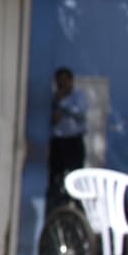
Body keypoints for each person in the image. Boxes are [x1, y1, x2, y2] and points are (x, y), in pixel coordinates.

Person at [48, 66, 87, 211]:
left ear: (71, 81)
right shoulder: (52, 98)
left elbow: (79, 112)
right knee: (55, 176)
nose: (62, 84)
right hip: (58, 143)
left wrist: (62, 102)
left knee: (76, 174)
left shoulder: (78, 96)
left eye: (65, 80)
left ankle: (77, 207)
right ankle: (56, 207)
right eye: (59, 81)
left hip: (74, 142)